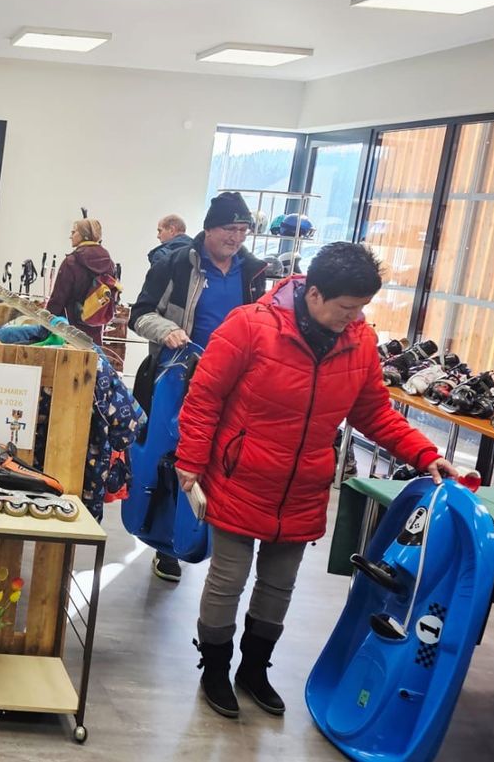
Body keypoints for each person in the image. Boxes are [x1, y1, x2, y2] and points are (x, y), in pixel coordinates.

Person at [177, 242, 457, 719]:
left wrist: (425, 454)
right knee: (228, 581)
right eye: (347, 308)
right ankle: (216, 669)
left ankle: (254, 669)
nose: (354, 318)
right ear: (314, 294)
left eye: (361, 309)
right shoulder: (249, 327)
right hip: (239, 476)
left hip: (303, 486)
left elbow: (373, 412)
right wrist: (189, 466)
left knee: (279, 585)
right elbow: (203, 399)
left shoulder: (359, 342)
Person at [129, 192, 268, 584]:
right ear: (209, 227)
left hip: (237, 384)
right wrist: (168, 329)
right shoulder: (173, 264)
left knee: (227, 462)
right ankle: (167, 544)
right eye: (229, 228)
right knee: (175, 461)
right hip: (180, 378)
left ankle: (216, 545)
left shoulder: (253, 273)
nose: (236, 237)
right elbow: (139, 315)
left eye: (242, 230)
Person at [45, 219, 116, 346]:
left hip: (68, 333)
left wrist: (44, 324)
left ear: (84, 235)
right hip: (95, 332)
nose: (70, 236)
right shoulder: (109, 264)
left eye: (74, 232)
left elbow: (58, 300)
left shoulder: (71, 262)